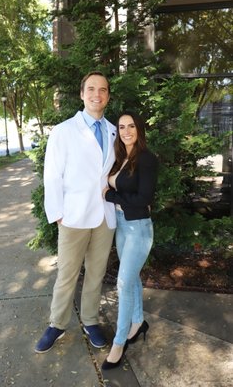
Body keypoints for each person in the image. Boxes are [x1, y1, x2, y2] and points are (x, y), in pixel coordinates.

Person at [35, 71, 117, 354]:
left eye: (103, 90)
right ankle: (57, 324)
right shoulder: (63, 131)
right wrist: (58, 213)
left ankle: (91, 320)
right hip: (73, 216)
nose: (97, 94)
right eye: (91, 89)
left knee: (96, 273)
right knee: (67, 274)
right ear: (82, 94)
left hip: (105, 216)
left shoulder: (114, 131)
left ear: (108, 96)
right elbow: (52, 175)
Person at [101, 111, 158, 370]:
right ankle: (138, 321)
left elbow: (144, 199)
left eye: (131, 126)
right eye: (121, 127)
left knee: (123, 283)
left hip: (138, 229)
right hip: (123, 227)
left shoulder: (146, 159)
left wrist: (111, 197)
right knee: (132, 278)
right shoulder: (122, 158)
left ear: (139, 129)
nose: (126, 131)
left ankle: (119, 342)